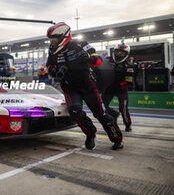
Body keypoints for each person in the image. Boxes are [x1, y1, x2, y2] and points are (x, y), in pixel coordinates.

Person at [46, 22, 123, 150]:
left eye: (54, 38)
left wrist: (89, 59)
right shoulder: (52, 49)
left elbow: (97, 59)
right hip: (69, 87)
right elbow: (49, 65)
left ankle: (117, 139)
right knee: (74, 110)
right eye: (50, 39)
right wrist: (53, 70)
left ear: (63, 36)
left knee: (101, 114)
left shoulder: (81, 44)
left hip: (87, 85)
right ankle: (90, 133)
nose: (52, 41)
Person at [102, 43, 132, 132]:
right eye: (118, 52)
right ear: (114, 52)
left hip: (121, 89)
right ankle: (114, 114)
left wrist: (120, 85)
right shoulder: (107, 61)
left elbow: (129, 83)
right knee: (102, 105)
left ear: (126, 54)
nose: (119, 54)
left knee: (123, 108)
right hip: (109, 88)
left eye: (122, 53)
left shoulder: (128, 66)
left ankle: (128, 125)